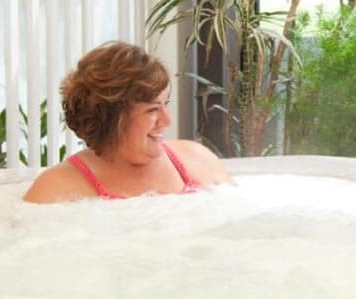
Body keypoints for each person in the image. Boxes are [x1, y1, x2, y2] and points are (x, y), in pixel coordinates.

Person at [24, 42, 232, 203]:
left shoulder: (197, 160)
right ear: (112, 118)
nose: (167, 121)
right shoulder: (57, 189)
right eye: (152, 109)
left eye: (165, 104)